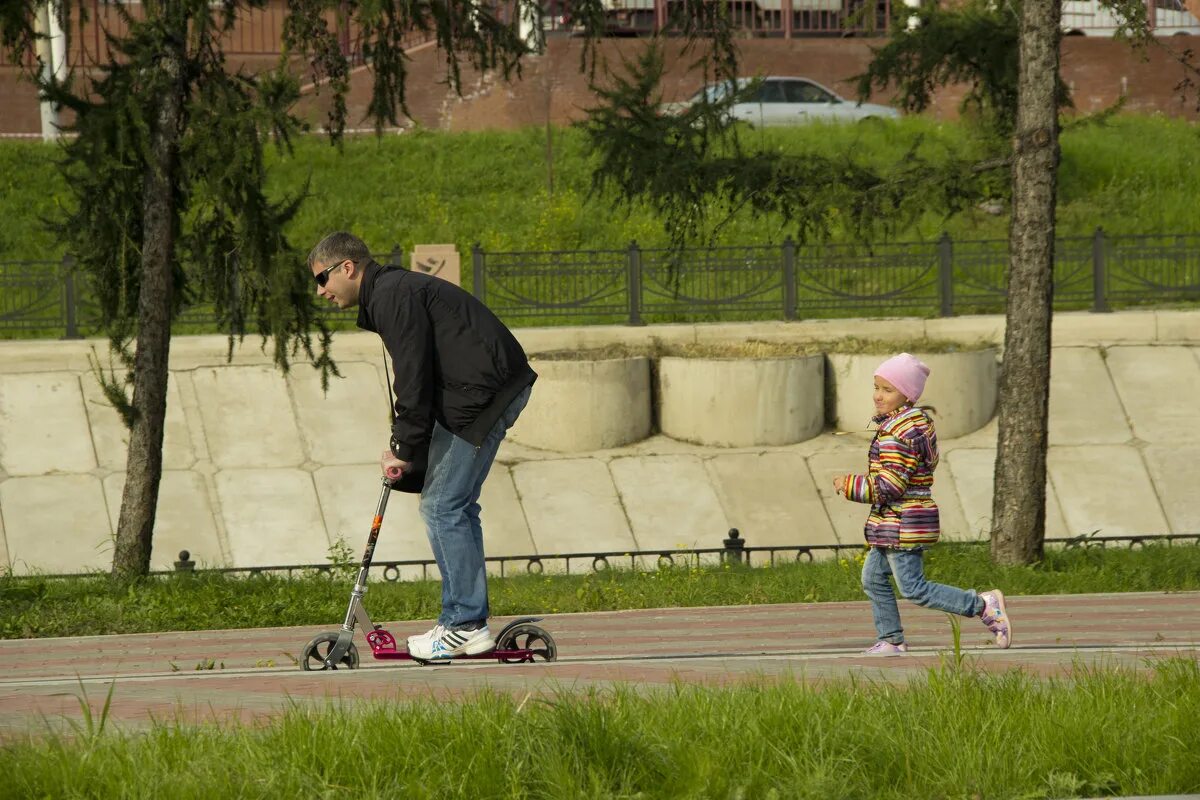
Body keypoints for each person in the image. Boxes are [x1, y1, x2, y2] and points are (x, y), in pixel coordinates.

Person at [308, 231, 536, 661]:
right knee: (454, 505)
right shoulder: (390, 293)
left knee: (441, 507)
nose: (320, 290)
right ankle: (465, 621)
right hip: (481, 390)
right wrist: (405, 448)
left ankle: (465, 624)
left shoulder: (393, 295)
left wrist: (404, 446)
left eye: (322, 278)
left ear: (347, 268)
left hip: (481, 394)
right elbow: (422, 377)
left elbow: (413, 378)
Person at [833, 352, 1012, 655]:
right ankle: (891, 639)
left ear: (907, 394)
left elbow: (890, 485)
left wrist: (849, 484)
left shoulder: (897, 434)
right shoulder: (910, 425)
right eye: (876, 387)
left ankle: (982, 605)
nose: (878, 396)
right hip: (895, 522)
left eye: (887, 390)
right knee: (873, 578)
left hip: (902, 523)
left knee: (914, 588)